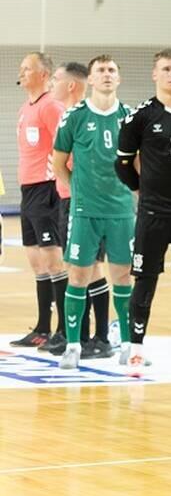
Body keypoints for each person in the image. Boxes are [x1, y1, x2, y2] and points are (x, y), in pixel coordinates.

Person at [114, 50, 171, 375]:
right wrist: (140, 191)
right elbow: (122, 164)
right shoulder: (140, 116)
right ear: (155, 74)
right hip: (152, 213)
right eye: (166, 69)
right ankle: (136, 351)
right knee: (144, 280)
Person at [53, 55, 134, 370]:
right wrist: (79, 191)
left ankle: (128, 344)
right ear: (90, 79)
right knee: (78, 275)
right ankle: (73, 346)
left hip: (121, 212)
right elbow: (59, 163)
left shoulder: (130, 117)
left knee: (123, 276)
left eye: (112, 70)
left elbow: (139, 164)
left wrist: (134, 194)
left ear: (119, 78)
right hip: (85, 211)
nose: (107, 74)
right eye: (101, 70)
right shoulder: (74, 117)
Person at [48, 63, 113, 358]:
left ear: (72, 85)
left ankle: (102, 337)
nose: (52, 84)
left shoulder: (88, 115)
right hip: (68, 199)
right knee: (76, 267)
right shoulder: (69, 116)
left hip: (88, 204)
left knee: (92, 267)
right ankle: (81, 336)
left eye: (56, 79)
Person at [12, 52, 67, 351]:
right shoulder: (25, 108)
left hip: (47, 190)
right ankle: (42, 328)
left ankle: (65, 329)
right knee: (36, 262)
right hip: (28, 191)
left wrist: (64, 182)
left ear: (43, 74)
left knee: (53, 259)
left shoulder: (51, 106)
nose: (21, 72)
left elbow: (66, 146)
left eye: (27, 68)